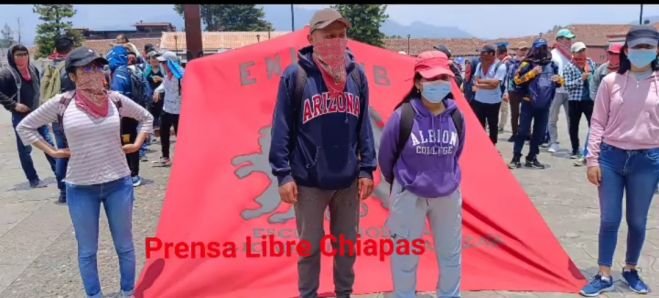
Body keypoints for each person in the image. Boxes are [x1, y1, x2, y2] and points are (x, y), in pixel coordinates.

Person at [15, 47, 153, 298]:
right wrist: (52, 151)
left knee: (124, 246)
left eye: (98, 67)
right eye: (86, 68)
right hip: (80, 187)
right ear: (73, 75)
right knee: (87, 250)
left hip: (118, 184)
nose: (94, 73)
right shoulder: (63, 102)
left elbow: (146, 117)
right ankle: (94, 294)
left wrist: (136, 144)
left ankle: (127, 291)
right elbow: (25, 127)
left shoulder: (115, 99)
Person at [268, 8, 376, 298]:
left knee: (346, 245)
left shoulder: (356, 75)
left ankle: (344, 292)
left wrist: (367, 167)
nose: (336, 41)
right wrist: (283, 174)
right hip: (308, 179)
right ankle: (308, 294)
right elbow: (281, 127)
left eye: (341, 35)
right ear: (311, 36)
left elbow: (363, 124)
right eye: (329, 35)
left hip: (347, 179)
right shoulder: (297, 75)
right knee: (309, 246)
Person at [378, 50, 465, 298]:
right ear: (418, 82)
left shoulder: (456, 116)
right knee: (405, 254)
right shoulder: (403, 116)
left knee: (450, 254)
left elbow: (456, 153)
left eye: (444, 78)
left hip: (447, 195)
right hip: (408, 195)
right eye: (432, 78)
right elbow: (386, 158)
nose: (439, 84)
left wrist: (443, 177)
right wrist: (406, 181)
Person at [581, 25, 659, 297]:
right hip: (611, 159)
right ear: (627, 50)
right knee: (610, 219)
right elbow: (598, 122)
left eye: (649, 47)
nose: (642, 52)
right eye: (637, 47)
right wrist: (592, 160)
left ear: (657, 50)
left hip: (647, 161)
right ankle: (604, 274)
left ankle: (630, 268)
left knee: (637, 221)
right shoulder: (610, 82)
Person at [0, 44, 56, 188]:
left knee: (49, 144)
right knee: (25, 150)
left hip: (37, 114)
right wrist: (14, 105)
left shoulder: (32, 69)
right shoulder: (7, 74)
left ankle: (59, 174)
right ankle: (33, 179)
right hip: (20, 117)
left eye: (25, 54)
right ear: (12, 57)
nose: (22, 57)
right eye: (18, 55)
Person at [508, 38, 563, 170]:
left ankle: (532, 157)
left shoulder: (552, 64)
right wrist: (532, 74)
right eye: (539, 48)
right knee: (522, 131)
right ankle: (516, 157)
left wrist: (559, 80)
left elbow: (560, 82)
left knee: (539, 133)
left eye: (544, 48)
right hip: (528, 102)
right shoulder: (526, 64)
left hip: (544, 104)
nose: (541, 51)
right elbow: (516, 81)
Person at [575, 43, 622, 167]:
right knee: (594, 129)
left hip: (620, 107)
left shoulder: (626, 70)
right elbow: (593, 85)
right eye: (611, 53)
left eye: (616, 54)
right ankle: (587, 154)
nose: (613, 56)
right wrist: (598, 100)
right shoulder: (602, 69)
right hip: (602, 106)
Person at [42, 36, 76, 203]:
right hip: (69, 114)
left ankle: (62, 190)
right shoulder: (69, 67)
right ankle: (72, 188)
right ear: (71, 48)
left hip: (55, 115)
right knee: (74, 151)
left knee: (61, 151)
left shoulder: (49, 64)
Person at [111, 49, 149, 187]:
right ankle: (132, 173)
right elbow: (147, 91)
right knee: (130, 141)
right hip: (132, 114)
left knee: (127, 142)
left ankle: (131, 174)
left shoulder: (119, 73)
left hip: (124, 117)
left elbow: (117, 96)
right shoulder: (133, 71)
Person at [563, 42, 596, 160]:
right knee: (574, 126)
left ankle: (592, 149)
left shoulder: (590, 62)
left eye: (583, 50)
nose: (582, 53)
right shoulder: (569, 66)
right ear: (573, 53)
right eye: (579, 51)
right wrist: (580, 79)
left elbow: (595, 78)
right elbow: (566, 85)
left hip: (589, 99)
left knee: (593, 125)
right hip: (575, 100)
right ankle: (575, 149)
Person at [152, 51, 184, 167]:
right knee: (163, 132)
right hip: (167, 108)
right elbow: (164, 85)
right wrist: (157, 90)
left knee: (180, 134)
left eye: (164, 62)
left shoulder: (182, 76)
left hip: (179, 110)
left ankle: (182, 156)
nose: (162, 64)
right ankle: (165, 156)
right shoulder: (167, 75)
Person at [471, 44, 507, 144]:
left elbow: (495, 84)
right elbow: (475, 80)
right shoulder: (479, 65)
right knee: (479, 125)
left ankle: (492, 145)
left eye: (483, 53)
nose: (481, 55)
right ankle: (481, 145)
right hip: (479, 100)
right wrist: (487, 82)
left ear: (492, 54)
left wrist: (480, 84)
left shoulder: (500, 66)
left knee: (492, 125)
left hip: (493, 102)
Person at [548, 28, 575, 153]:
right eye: (567, 39)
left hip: (570, 91)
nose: (569, 41)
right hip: (556, 91)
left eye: (570, 39)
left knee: (572, 119)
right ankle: (553, 142)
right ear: (559, 40)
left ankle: (574, 145)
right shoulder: (552, 55)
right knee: (553, 118)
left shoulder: (572, 56)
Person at [506, 41, 530, 142]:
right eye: (522, 49)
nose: (524, 52)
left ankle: (526, 133)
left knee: (526, 113)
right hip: (514, 90)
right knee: (514, 113)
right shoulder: (511, 63)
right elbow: (509, 76)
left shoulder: (529, 62)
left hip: (526, 90)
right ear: (517, 51)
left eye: (525, 49)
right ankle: (515, 133)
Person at [496, 42, 512, 134]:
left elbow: (507, 78)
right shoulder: (504, 62)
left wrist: (506, 92)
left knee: (504, 109)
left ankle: (501, 126)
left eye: (497, 53)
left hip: (504, 90)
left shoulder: (507, 63)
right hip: (502, 89)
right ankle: (500, 125)